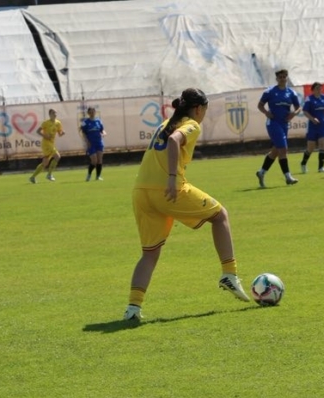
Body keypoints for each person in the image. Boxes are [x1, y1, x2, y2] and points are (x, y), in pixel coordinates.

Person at [124, 88, 250, 322]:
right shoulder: (191, 124)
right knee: (220, 215)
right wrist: (172, 178)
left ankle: (133, 308)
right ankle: (229, 273)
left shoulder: (165, 123)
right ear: (198, 108)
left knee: (149, 254)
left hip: (141, 191)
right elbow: (174, 141)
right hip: (167, 190)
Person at [255, 69, 301, 187]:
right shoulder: (270, 92)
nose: (282, 79)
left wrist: (294, 113)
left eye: (284, 76)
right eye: (280, 77)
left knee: (276, 151)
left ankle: (261, 172)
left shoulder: (291, 93)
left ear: (286, 78)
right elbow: (260, 105)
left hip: (284, 124)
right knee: (283, 149)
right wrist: (266, 112)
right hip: (273, 123)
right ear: (276, 79)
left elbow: (298, 107)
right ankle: (288, 177)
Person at [300, 82, 324, 173]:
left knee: (322, 144)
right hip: (312, 126)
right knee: (311, 148)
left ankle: (321, 167)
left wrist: (323, 119)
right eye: (317, 88)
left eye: (320, 88)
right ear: (313, 90)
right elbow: (305, 111)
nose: (319, 90)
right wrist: (313, 119)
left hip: (322, 125)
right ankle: (303, 163)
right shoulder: (309, 98)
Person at [29, 109, 65, 183]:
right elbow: (38, 131)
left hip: (51, 143)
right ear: (50, 114)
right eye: (53, 113)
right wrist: (45, 136)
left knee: (45, 163)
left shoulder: (58, 123)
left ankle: (33, 177)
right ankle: (49, 174)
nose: (55, 114)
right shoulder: (46, 123)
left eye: (55, 113)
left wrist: (62, 133)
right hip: (46, 143)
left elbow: (59, 134)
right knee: (57, 156)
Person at [80, 107, 106, 181]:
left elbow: (102, 130)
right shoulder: (85, 122)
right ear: (88, 113)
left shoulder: (98, 121)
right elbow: (83, 132)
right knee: (94, 161)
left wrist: (104, 133)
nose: (92, 113)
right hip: (91, 143)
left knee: (100, 160)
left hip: (99, 142)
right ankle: (89, 175)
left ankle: (98, 176)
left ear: (95, 112)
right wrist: (87, 141)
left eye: (93, 112)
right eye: (90, 112)